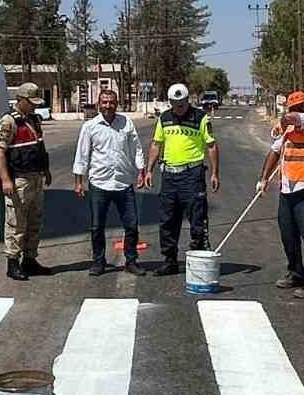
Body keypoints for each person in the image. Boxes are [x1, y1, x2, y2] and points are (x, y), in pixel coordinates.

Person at [141, 83, 219, 276]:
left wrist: (215, 173)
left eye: (182, 104)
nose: (179, 108)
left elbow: (211, 146)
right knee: (167, 219)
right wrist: (148, 170)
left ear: (187, 100)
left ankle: (198, 261)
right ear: (171, 103)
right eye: (175, 104)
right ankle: (170, 260)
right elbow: (156, 144)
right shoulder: (164, 118)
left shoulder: (201, 117)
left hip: (192, 175)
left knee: (197, 218)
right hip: (169, 176)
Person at [257, 90, 304, 298]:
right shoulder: (288, 129)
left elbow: (292, 118)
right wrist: (263, 179)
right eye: (293, 107)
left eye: (300, 107)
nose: (296, 111)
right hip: (287, 189)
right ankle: (296, 272)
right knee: (288, 235)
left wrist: (285, 119)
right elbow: (275, 151)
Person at [72, 88, 148, 276]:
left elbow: (136, 148)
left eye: (111, 102)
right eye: (104, 102)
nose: (108, 105)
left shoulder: (126, 122)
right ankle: (99, 262)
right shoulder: (90, 127)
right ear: (99, 104)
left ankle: (131, 261)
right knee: (97, 226)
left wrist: (141, 171)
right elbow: (82, 155)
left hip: (123, 183)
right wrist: (79, 181)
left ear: (117, 103)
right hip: (99, 183)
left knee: (131, 225)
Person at [0, 83, 53, 281]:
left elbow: (39, 146)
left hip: (36, 177)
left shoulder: (34, 119)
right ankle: (13, 263)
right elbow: (0, 151)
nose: (35, 106)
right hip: (19, 179)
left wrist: (46, 170)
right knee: (16, 223)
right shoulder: (8, 121)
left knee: (35, 221)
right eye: (32, 102)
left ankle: (30, 260)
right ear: (21, 100)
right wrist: (5, 180)